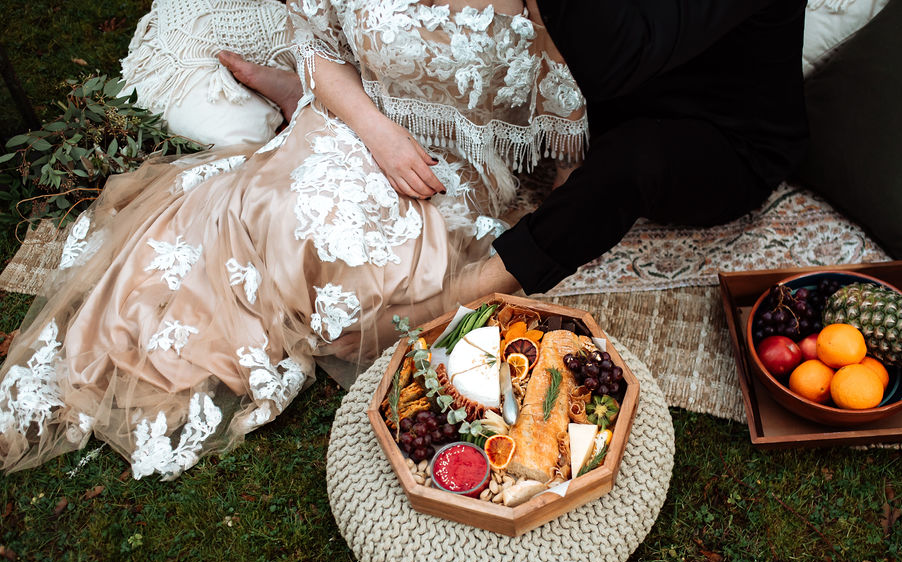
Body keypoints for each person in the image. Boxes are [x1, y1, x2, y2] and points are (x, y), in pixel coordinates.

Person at [0, 0, 587, 479]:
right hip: (361, 125)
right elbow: (321, 51)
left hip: (452, 179)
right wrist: (378, 134)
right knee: (282, 212)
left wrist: (558, 229)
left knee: (376, 277)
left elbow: (568, 127)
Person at [221, 0, 810, 299]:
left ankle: (476, 289)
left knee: (631, 156)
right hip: (607, 98)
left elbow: (615, 61)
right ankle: (310, 94)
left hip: (725, 142)